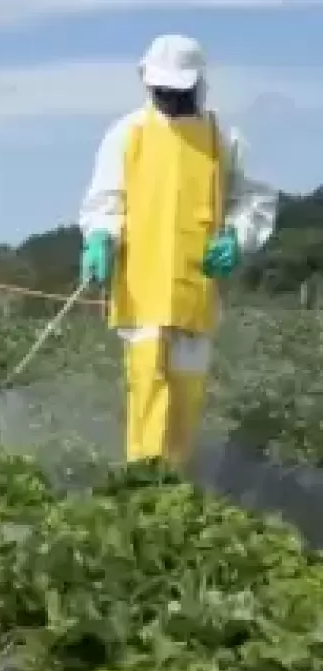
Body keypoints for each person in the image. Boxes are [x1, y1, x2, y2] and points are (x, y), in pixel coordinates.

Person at [78, 34, 276, 468]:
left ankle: (175, 483)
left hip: (196, 287)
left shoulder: (224, 138)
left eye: (179, 90)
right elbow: (105, 200)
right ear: (149, 84)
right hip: (141, 286)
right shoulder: (127, 134)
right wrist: (100, 238)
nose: (171, 98)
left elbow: (255, 200)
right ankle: (142, 482)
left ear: (198, 84)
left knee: (186, 396)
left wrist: (236, 237)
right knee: (147, 385)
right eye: (163, 90)